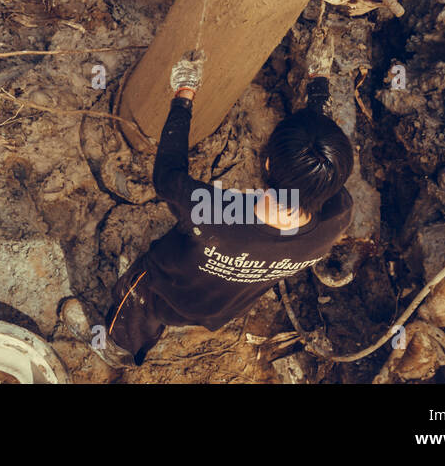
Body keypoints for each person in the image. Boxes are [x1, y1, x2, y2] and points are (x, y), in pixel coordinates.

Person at [100, 32, 354, 366]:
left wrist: (183, 94)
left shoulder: (218, 214)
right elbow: (318, 167)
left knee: (136, 310)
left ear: (264, 163)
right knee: (182, 309)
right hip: (224, 306)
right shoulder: (337, 217)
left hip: (162, 290)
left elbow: (167, 178)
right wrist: (318, 86)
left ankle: (116, 350)